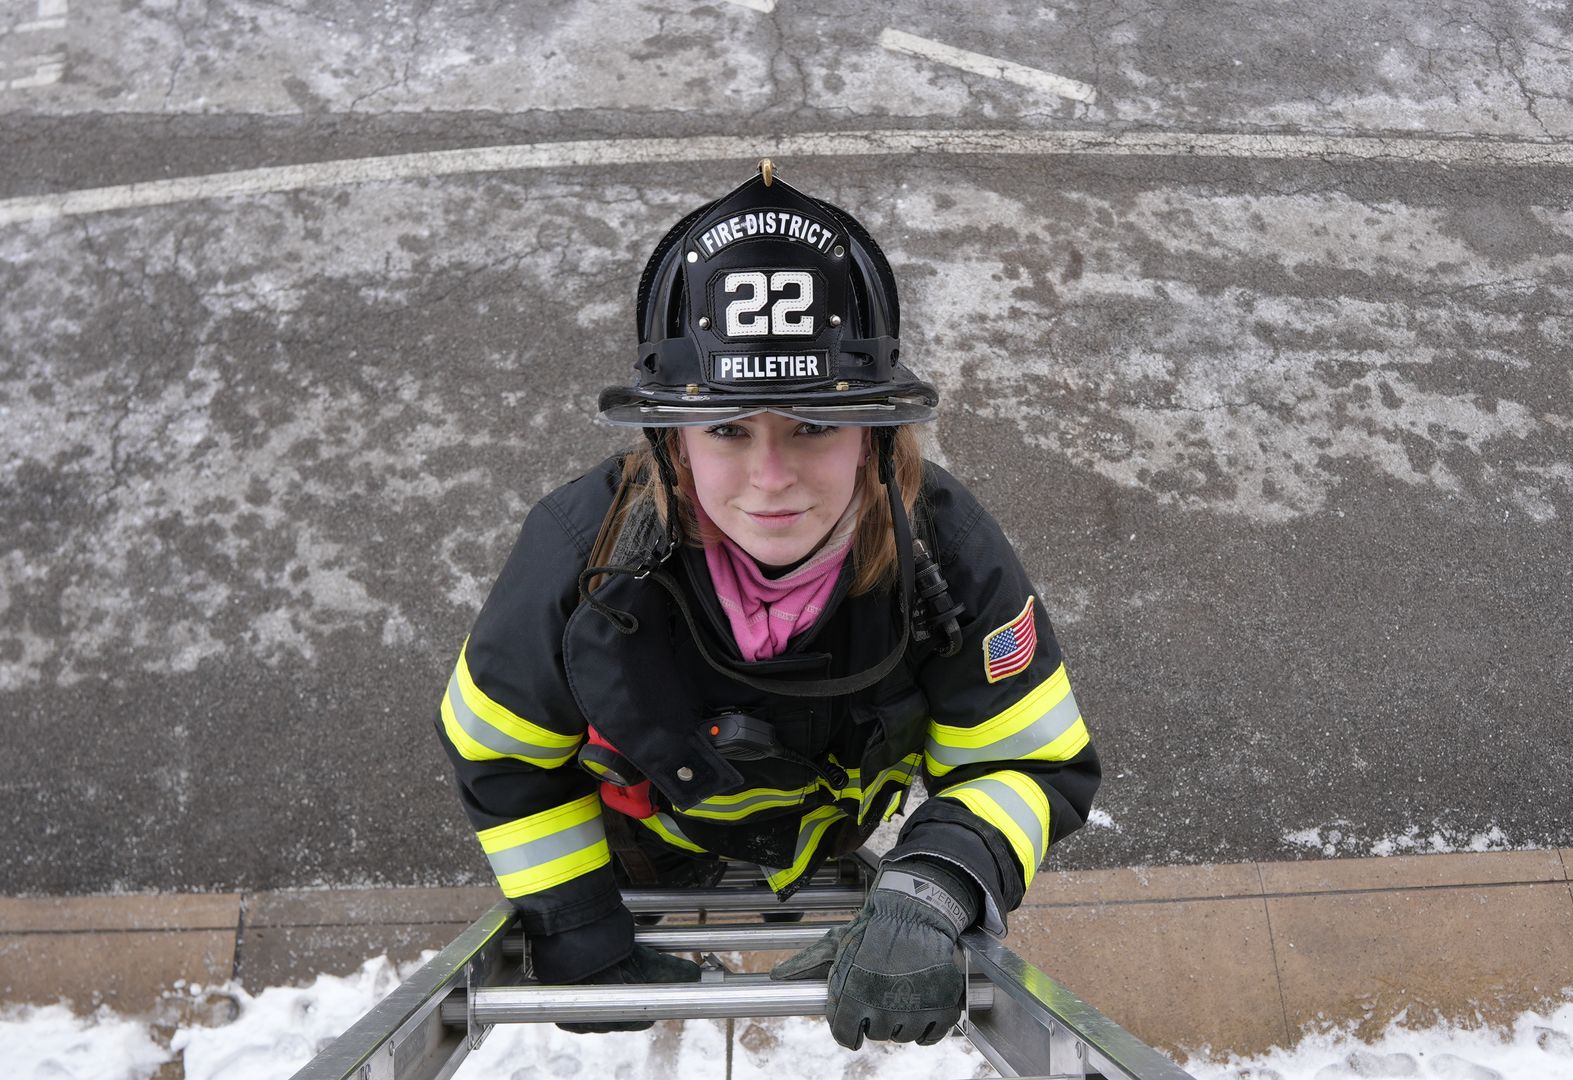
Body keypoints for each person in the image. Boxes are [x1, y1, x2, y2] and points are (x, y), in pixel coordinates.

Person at [434, 161, 1099, 1049]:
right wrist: (580, 929)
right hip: (654, 834)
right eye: (729, 430)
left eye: (815, 426)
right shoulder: (574, 559)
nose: (771, 479)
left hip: (835, 831)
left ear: (877, 434)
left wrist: (932, 882)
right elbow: (497, 750)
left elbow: (1031, 763)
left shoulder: (945, 553)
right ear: (671, 441)